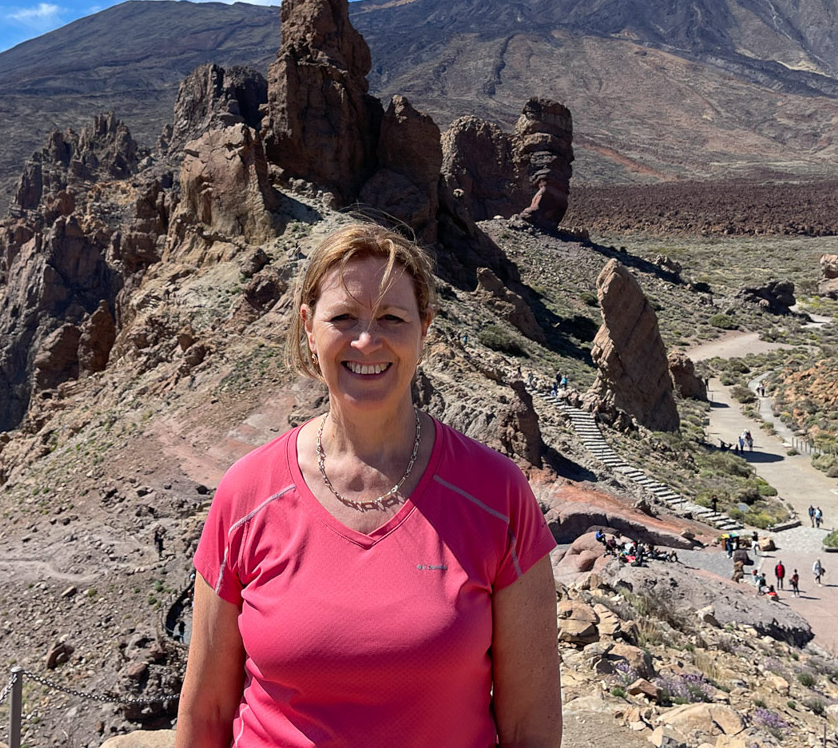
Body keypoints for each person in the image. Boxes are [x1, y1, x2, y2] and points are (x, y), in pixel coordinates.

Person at [177, 223, 562, 748]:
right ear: (308, 328)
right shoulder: (247, 493)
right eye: (343, 318)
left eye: (391, 318)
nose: (365, 340)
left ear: (424, 329)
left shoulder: (496, 494)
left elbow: (528, 727)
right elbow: (208, 712)